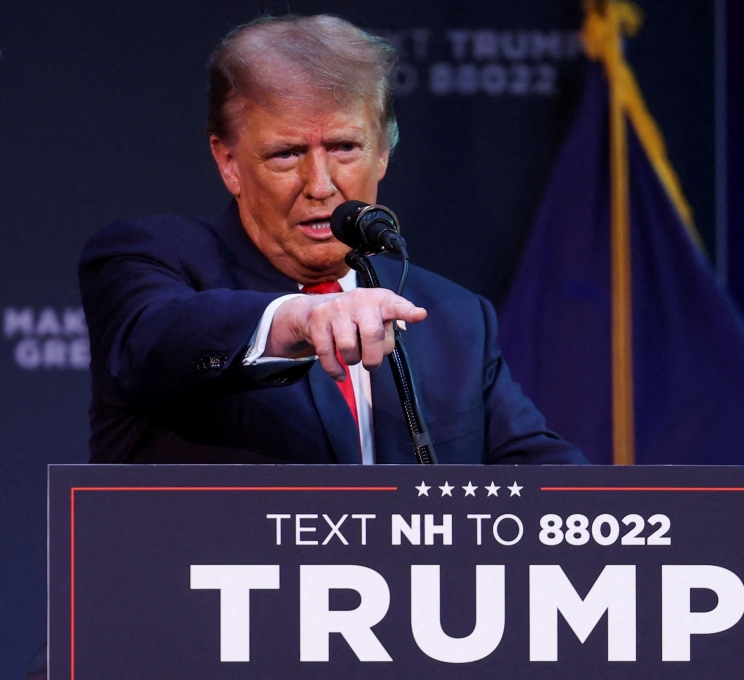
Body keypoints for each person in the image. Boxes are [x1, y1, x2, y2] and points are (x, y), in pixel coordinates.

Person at [79, 14, 586, 466]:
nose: (320, 186)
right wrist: (293, 318)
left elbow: (549, 484)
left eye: (344, 147)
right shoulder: (149, 258)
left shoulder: (454, 318)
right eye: (286, 154)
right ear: (229, 162)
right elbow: (148, 342)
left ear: (383, 152)